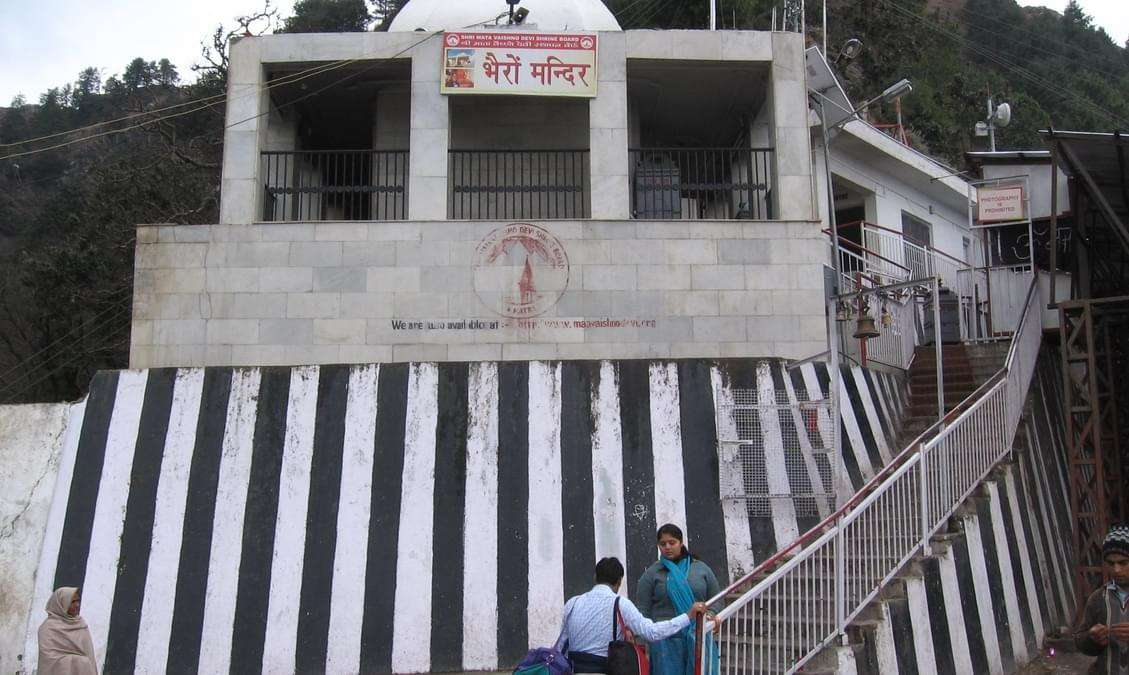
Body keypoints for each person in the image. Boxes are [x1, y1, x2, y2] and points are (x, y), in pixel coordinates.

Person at [560, 557, 709, 673]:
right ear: (619, 581)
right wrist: (688, 616)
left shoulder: (572, 603)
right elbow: (651, 632)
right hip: (605, 669)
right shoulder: (620, 603)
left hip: (573, 669)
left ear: (595, 577)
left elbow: (562, 644)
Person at [637, 524, 723, 675]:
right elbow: (643, 610)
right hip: (665, 643)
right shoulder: (652, 574)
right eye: (663, 544)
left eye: (672, 542)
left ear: (681, 543)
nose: (667, 547)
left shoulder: (701, 569)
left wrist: (710, 615)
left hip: (697, 636)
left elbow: (716, 599)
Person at [1076, 525, 1129, 675]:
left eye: (1123, 563)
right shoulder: (1098, 599)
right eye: (1111, 563)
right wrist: (1092, 638)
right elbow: (1080, 641)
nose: (1116, 569)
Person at [37, 587, 98, 675]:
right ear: (61, 604)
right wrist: (79, 662)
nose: (77, 605)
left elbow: (90, 657)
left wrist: (85, 664)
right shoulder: (48, 628)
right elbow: (49, 660)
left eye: (78, 601)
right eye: (72, 602)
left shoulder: (80, 624)